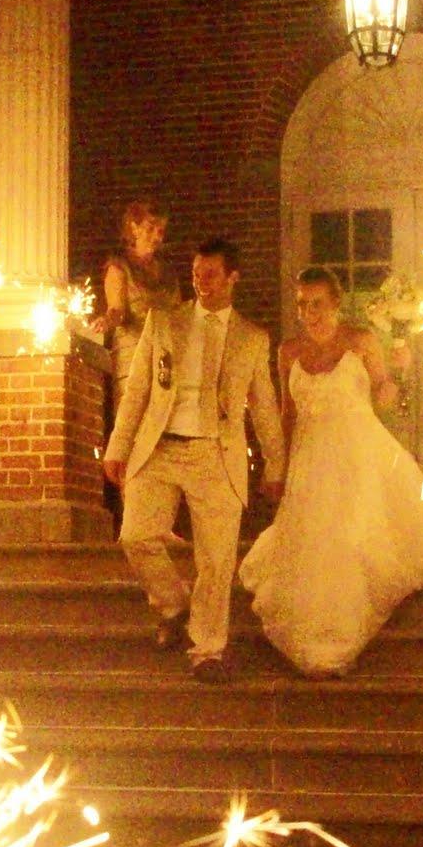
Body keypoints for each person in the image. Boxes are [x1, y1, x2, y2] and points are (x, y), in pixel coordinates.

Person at [239, 268, 423, 676]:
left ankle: (340, 630)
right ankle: (316, 627)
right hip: (311, 458)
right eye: (301, 303)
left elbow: (384, 396)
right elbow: (287, 412)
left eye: (316, 303)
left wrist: (400, 368)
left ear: (335, 302)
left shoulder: (361, 341)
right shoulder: (288, 351)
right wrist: (278, 465)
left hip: (357, 451)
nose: (308, 312)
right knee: (315, 541)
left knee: (349, 535)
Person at [103, 238, 286, 683]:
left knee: (217, 557)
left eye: (210, 274)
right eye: (196, 273)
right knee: (136, 535)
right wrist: (118, 446)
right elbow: (139, 390)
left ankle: (208, 648)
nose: (200, 282)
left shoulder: (252, 338)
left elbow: (263, 406)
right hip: (160, 444)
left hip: (215, 453)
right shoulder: (164, 322)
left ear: (231, 278)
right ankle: (172, 604)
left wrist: (276, 465)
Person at [101, 201, 181, 407]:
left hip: (166, 359)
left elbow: (180, 313)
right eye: (151, 228)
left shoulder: (168, 272)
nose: (157, 236)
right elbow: (116, 309)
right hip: (134, 358)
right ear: (134, 227)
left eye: (161, 230)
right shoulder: (119, 267)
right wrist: (107, 321)